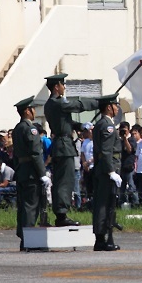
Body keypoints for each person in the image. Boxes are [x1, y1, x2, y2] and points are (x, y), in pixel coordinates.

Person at [42, 73, 100, 226]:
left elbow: (66, 121)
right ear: (56, 87)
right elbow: (77, 106)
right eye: (62, 85)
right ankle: (61, 215)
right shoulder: (57, 103)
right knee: (65, 181)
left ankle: (61, 213)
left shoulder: (52, 104)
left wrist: (80, 126)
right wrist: (98, 103)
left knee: (63, 180)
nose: (64, 87)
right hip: (64, 146)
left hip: (62, 144)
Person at [11, 96, 49, 251]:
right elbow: (35, 153)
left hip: (22, 171)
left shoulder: (17, 128)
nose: (34, 111)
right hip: (31, 173)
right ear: (27, 111)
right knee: (31, 206)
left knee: (24, 206)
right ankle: (30, 241)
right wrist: (42, 173)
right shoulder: (30, 128)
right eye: (33, 109)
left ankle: (24, 239)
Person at [91, 95, 122, 251]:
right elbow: (106, 151)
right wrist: (111, 171)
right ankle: (103, 238)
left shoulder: (101, 124)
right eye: (116, 105)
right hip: (107, 169)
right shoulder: (107, 126)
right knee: (105, 204)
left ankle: (101, 238)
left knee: (103, 203)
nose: (117, 108)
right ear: (109, 107)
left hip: (103, 169)